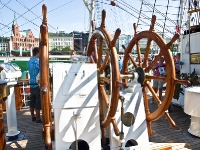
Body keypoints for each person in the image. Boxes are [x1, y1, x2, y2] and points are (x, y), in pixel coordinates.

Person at [27, 47, 42, 123]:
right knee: (38, 101)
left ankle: (33, 117)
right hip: (37, 83)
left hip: (31, 83)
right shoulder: (37, 62)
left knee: (32, 101)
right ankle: (38, 118)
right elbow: (41, 71)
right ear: (37, 53)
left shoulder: (29, 61)